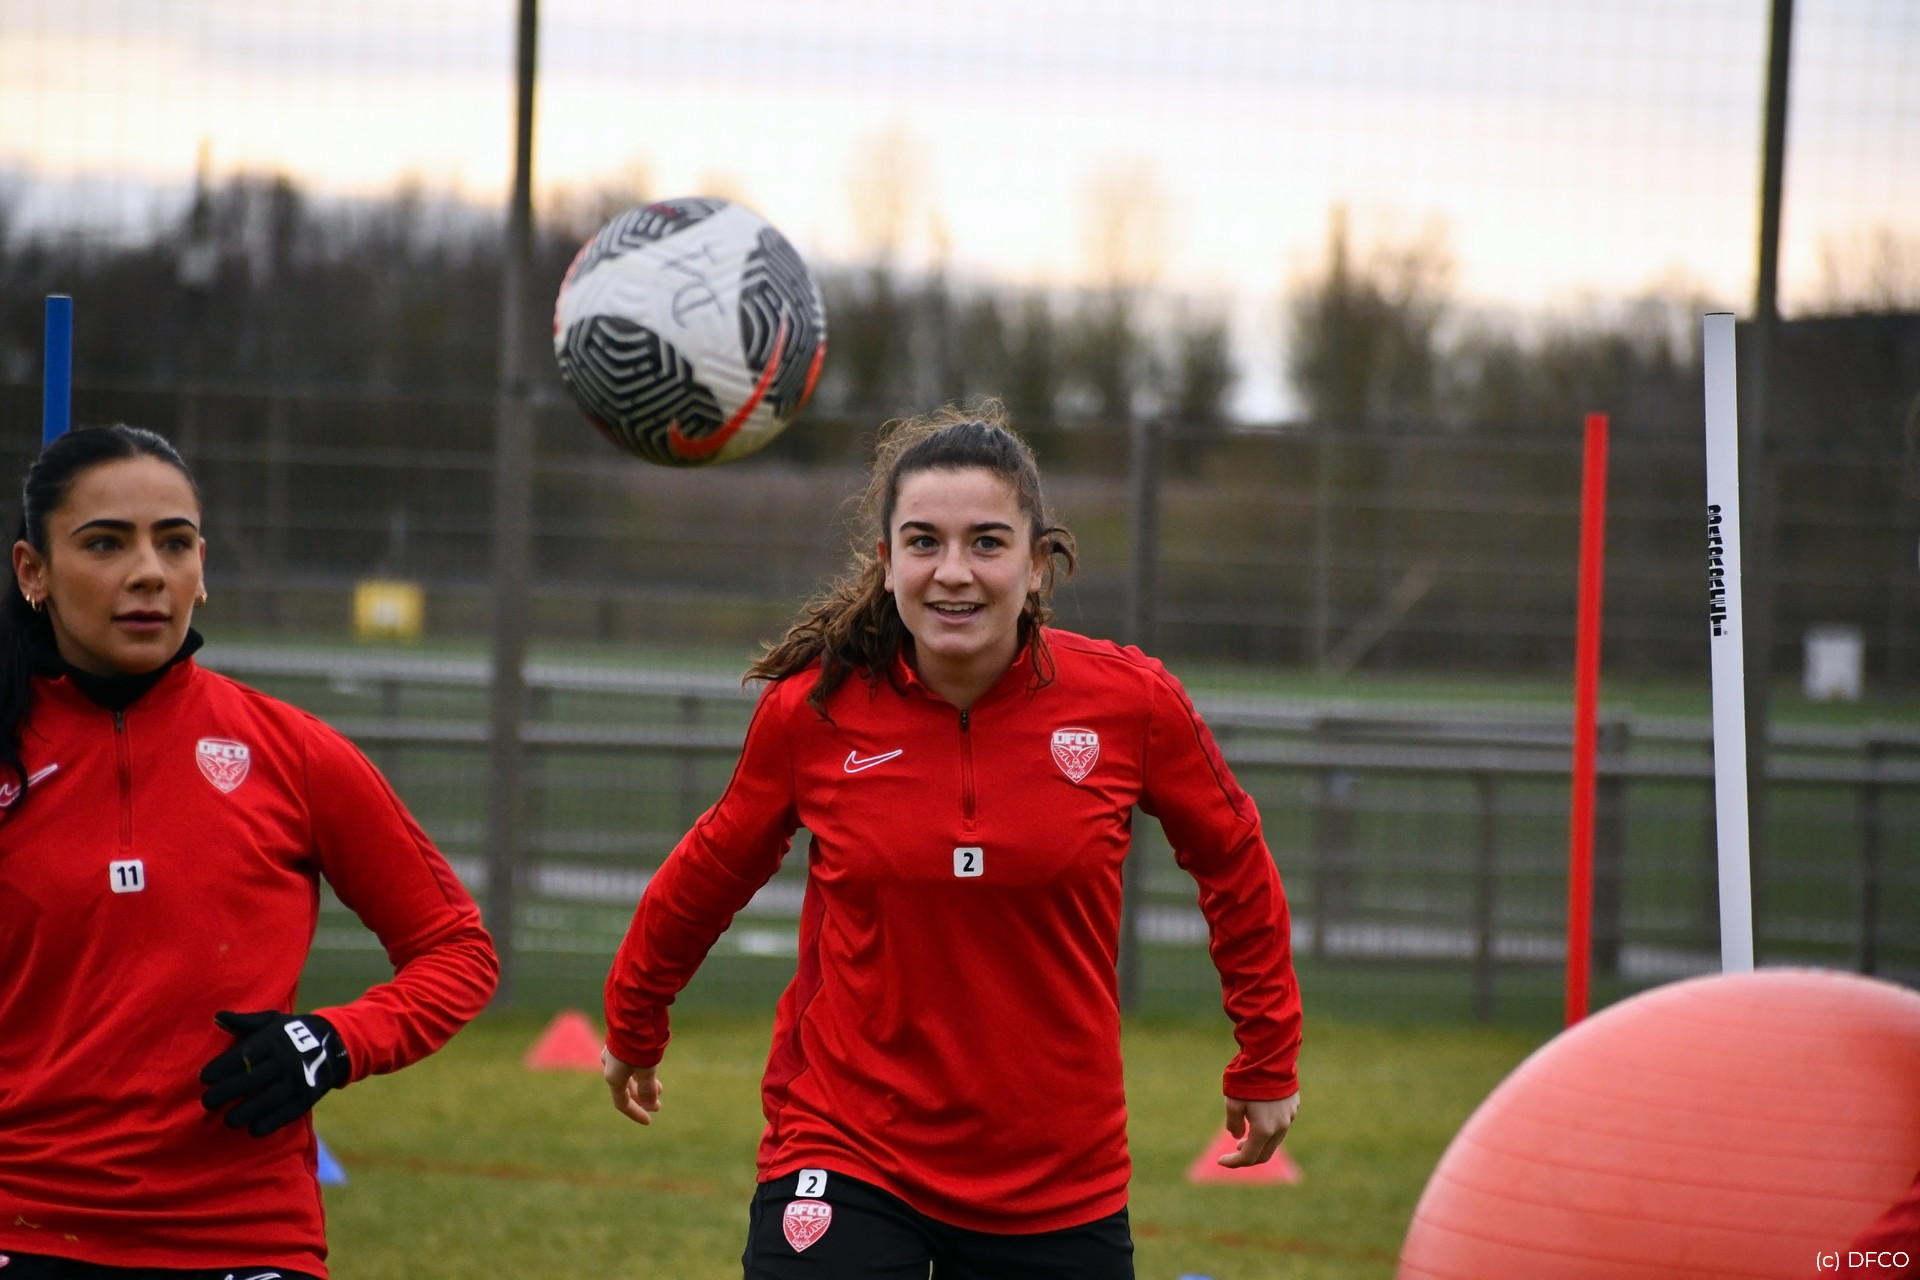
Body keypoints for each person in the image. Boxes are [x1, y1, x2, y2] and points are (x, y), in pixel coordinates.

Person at [602, 404, 1301, 1278]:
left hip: (1055, 1176)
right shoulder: (812, 714)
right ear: (888, 562)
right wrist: (635, 1017)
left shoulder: (1132, 704)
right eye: (924, 542)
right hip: (846, 1141)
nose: (954, 572)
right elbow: (709, 870)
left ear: (1039, 566)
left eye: (987, 542)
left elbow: (1233, 858)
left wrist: (1268, 1054)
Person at [0, 425, 498, 1280]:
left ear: (204, 568)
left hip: (246, 1241)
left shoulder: (292, 753)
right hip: (26, 1229)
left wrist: (335, 1041)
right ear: (32, 573)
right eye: (105, 544)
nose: (148, 572)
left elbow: (455, 950)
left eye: (175, 542)